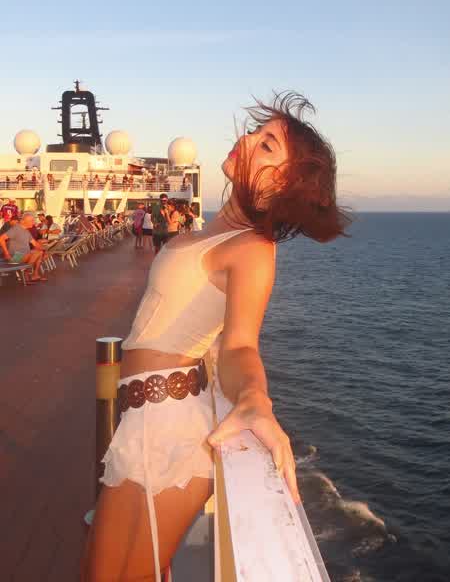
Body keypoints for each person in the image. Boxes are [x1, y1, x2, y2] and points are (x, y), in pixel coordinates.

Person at [82, 92, 351, 581]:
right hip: (144, 415)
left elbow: (240, 344)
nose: (246, 140)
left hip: (167, 430)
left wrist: (254, 399)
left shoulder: (252, 248)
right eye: (255, 133)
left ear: (283, 183)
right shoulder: (212, 229)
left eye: (267, 145)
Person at [0, 213, 48, 282]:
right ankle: (26, 274)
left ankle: (34, 275)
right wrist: (6, 254)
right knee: (37, 253)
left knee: (40, 252)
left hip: (23, 255)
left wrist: (45, 251)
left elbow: (35, 244)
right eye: (31, 221)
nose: (33, 222)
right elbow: (1, 238)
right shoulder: (16, 229)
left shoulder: (26, 231)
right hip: (15, 257)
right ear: (23, 221)